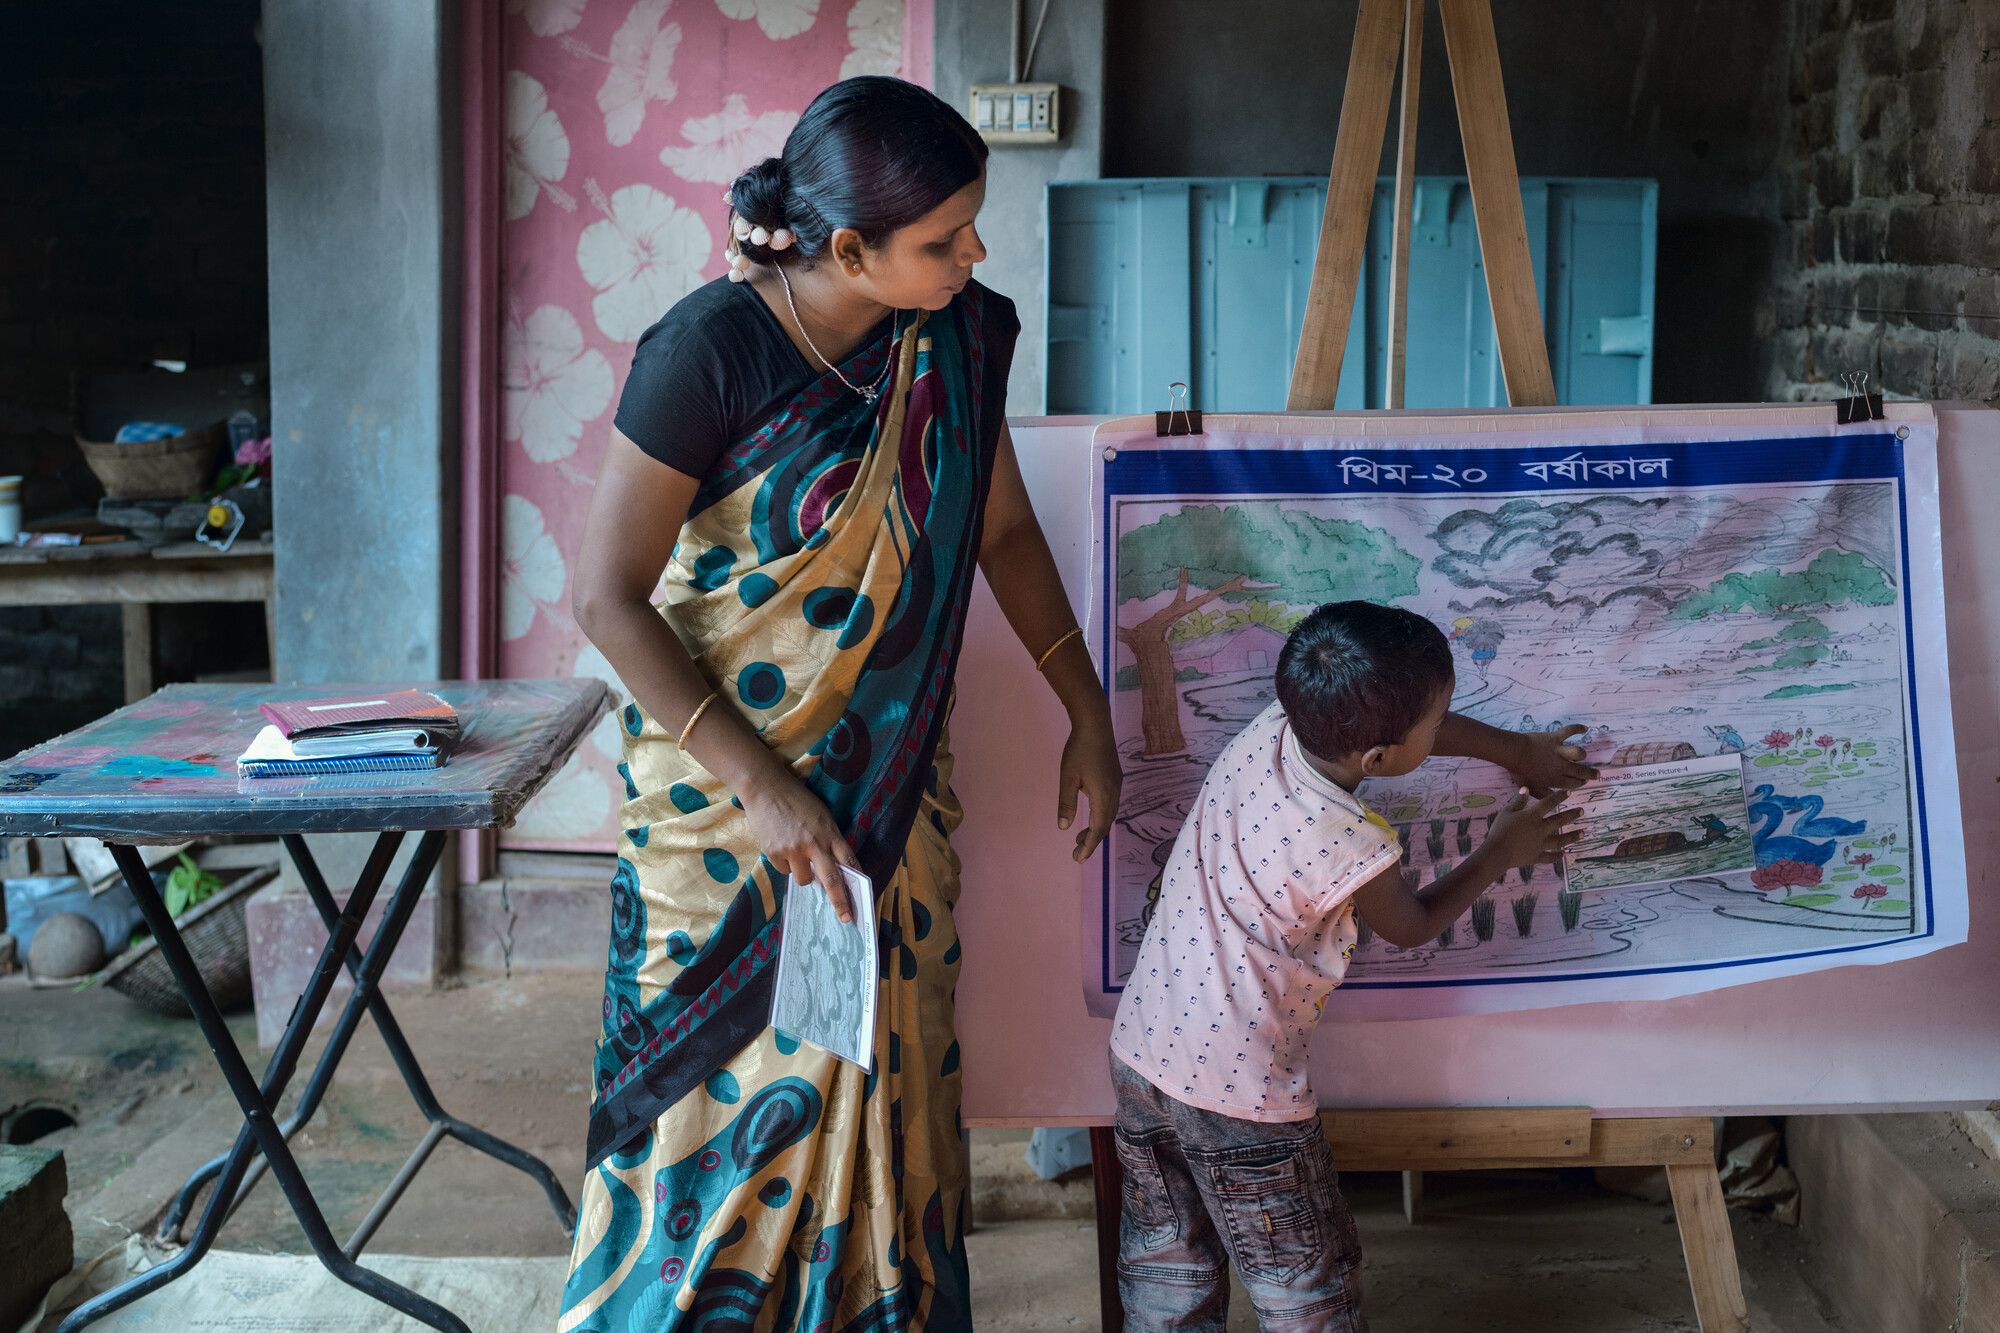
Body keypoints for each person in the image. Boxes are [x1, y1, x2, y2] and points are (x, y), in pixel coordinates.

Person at [560, 76, 1122, 1333]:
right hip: (721, 821)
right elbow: (606, 600)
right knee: (708, 1113)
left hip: (889, 794)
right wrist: (765, 790)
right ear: (850, 248)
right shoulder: (707, 351)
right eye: (945, 240)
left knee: (889, 1084)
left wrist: (1087, 705)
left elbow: (1008, 531)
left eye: (974, 227)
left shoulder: (961, 337)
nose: (975, 256)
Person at [1108, 601, 1595, 1333]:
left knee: (1167, 1268)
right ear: (1377, 759)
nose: (1442, 727)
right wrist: (1503, 849)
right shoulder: (1347, 839)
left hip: (1143, 1054)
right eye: (1437, 721)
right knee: (1304, 1285)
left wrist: (1514, 751)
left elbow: (1405, 733)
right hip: (1242, 1098)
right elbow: (1410, 925)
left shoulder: (1280, 723)